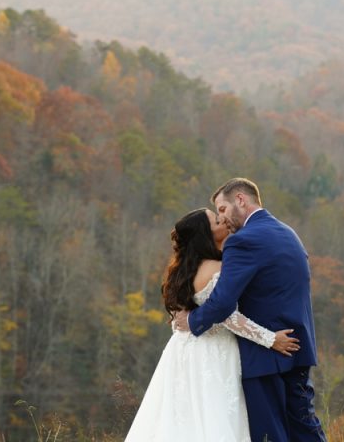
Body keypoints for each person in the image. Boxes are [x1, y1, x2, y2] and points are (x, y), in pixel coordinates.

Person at [125, 208, 301, 441]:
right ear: (206, 235)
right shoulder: (218, 268)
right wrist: (271, 339)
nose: (223, 221)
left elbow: (179, 321)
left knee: (182, 420)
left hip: (182, 351)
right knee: (214, 418)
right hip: (213, 353)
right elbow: (227, 315)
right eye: (216, 221)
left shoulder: (181, 270)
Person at [175, 178, 326, 442]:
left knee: (271, 435)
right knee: (305, 429)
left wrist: (193, 320)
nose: (222, 219)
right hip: (298, 348)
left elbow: (222, 303)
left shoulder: (242, 241)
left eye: (222, 209)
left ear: (241, 200)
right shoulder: (287, 233)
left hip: (266, 357)